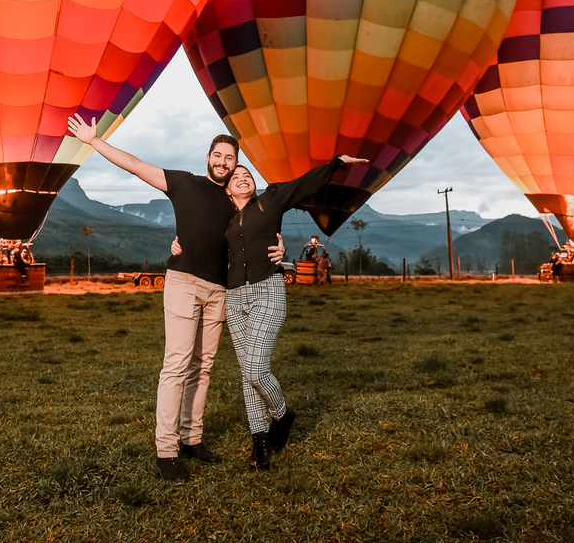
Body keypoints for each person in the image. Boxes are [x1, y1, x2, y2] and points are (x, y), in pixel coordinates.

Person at [66, 114, 283, 482]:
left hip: (220, 291)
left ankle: (191, 439)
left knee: (204, 366)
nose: (223, 162)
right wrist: (93, 141)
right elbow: (136, 165)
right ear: (209, 157)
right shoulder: (184, 183)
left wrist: (281, 248)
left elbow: (261, 233)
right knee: (177, 365)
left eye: (230, 159)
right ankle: (166, 451)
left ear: (235, 164)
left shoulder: (239, 201)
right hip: (183, 282)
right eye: (218, 155)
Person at [176, 154, 367, 470]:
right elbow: (202, 245)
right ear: (227, 190)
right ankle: (260, 445)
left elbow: (304, 184)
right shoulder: (222, 219)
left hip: (268, 290)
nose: (243, 177)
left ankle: (283, 414)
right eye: (236, 176)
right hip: (234, 297)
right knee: (246, 375)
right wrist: (178, 246)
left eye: (247, 174)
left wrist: (335, 164)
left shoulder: (271, 200)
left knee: (255, 369)